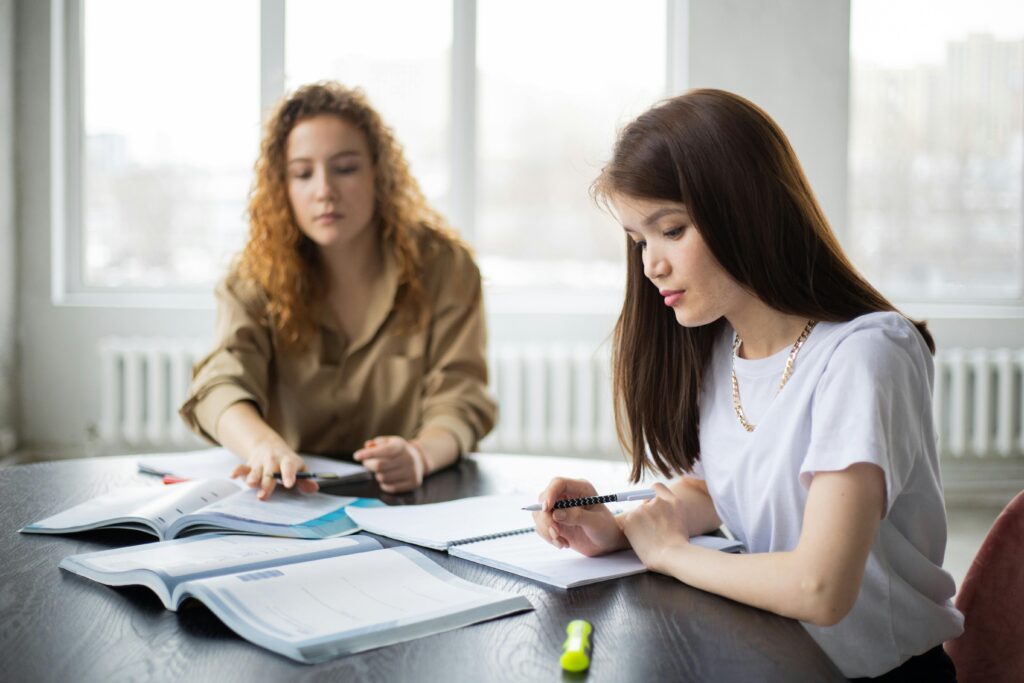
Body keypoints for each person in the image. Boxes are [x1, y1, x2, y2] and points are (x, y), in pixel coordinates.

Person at [532, 89, 963, 680]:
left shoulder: (866, 355)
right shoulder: (719, 346)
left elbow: (820, 588)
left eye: (672, 230)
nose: (651, 265)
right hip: (773, 659)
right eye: (639, 240)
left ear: (747, 210)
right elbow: (716, 491)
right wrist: (620, 526)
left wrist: (671, 554)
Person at [180, 82, 496, 499]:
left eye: (345, 168)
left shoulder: (446, 267)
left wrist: (418, 455)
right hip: (289, 498)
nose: (324, 190)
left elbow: (461, 398)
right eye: (302, 173)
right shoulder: (253, 276)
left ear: (378, 175)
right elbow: (220, 383)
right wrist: (263, 446)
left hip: (408, 503)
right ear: (283, 186)